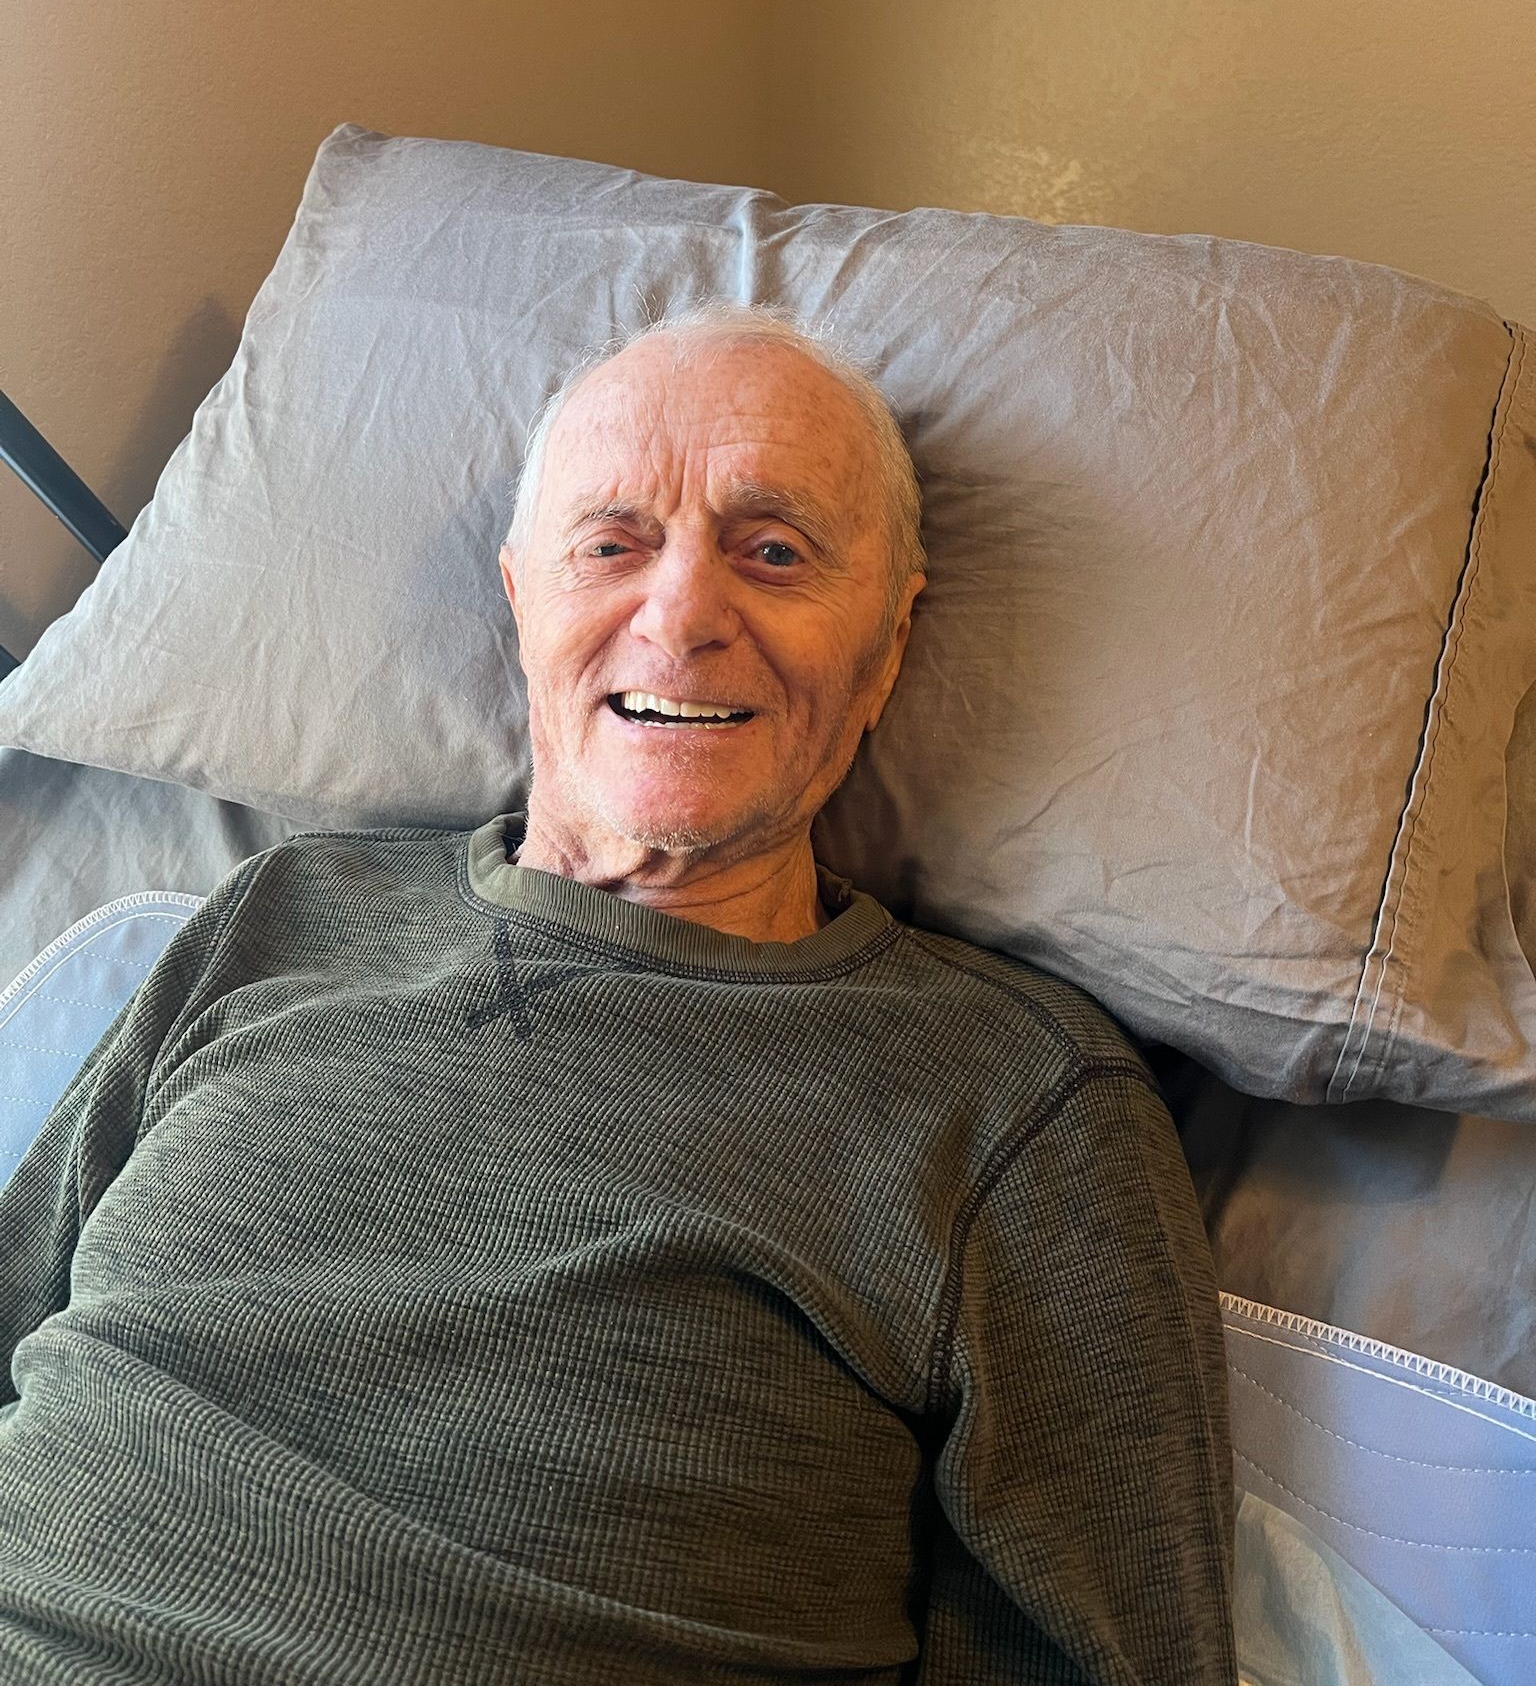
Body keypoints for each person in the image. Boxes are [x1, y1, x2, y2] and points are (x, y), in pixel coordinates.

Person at [0, 302, 1237, 1684]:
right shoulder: (283, 919)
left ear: (887, 643)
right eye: (613, 545)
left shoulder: (1013, 1094)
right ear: (524, 601)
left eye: (774, 553)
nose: (685, 613)